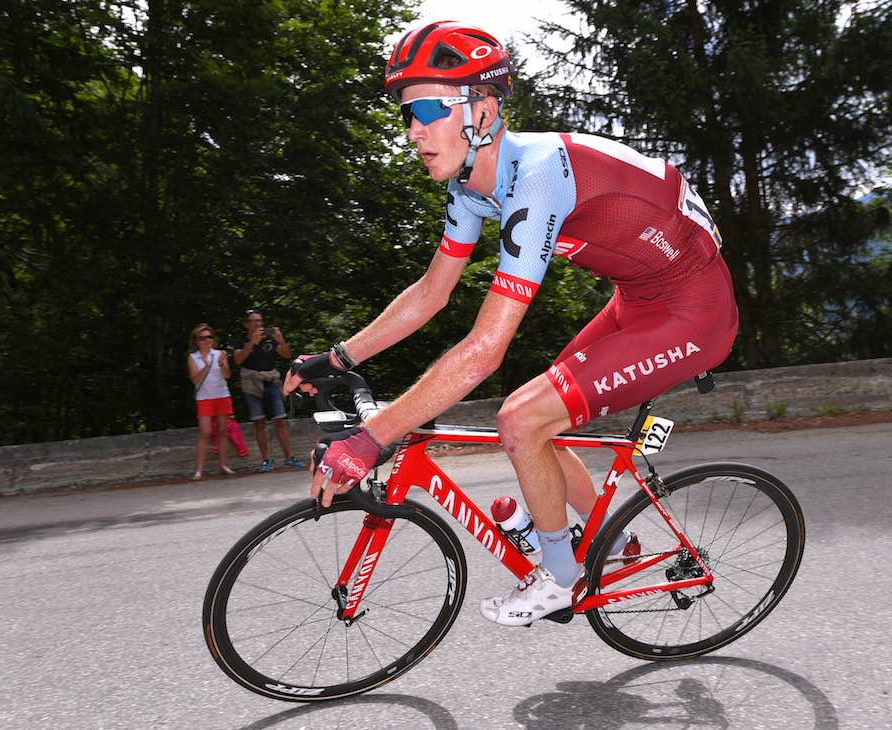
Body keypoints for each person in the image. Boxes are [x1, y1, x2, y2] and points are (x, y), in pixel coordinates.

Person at [284, 21, 739, 627]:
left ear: (484, 110)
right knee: (539, 422)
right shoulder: (473, 188)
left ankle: (560, 578)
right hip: (638, 297)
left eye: (426, 107)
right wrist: (338, 359)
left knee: (521, 417)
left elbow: (484, 350)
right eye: (406, 113)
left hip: (694, 312)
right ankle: (618, 544)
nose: (415, 129)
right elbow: (430, 294)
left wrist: (371, 440)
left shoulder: (539, 173)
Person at [232, 309, 304, 471]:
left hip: (271, 382)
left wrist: (280, 339)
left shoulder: (270, 338)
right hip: (252, 384)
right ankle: (266, 460)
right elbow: (238, 360)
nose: (258, 324)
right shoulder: (240, 341)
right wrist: (252, 343)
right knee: (259, 422)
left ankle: (289, 458)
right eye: (254, 321)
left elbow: (286, 354)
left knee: (280, 420)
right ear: (246, 324)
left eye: (260, 321)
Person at [187, 323, 236, 480]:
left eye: (209, 337)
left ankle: (223, 465)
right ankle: (199, 470)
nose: (206, 340)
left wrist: (222, 363)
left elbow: (228, 375)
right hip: (204, 398)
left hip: (222, 395)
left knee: (222, 431)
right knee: (205, 432)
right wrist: (206, 365)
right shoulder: (193, 357)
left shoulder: (220, 354)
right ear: (196, 341)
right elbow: (195, 379)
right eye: (202, 338)